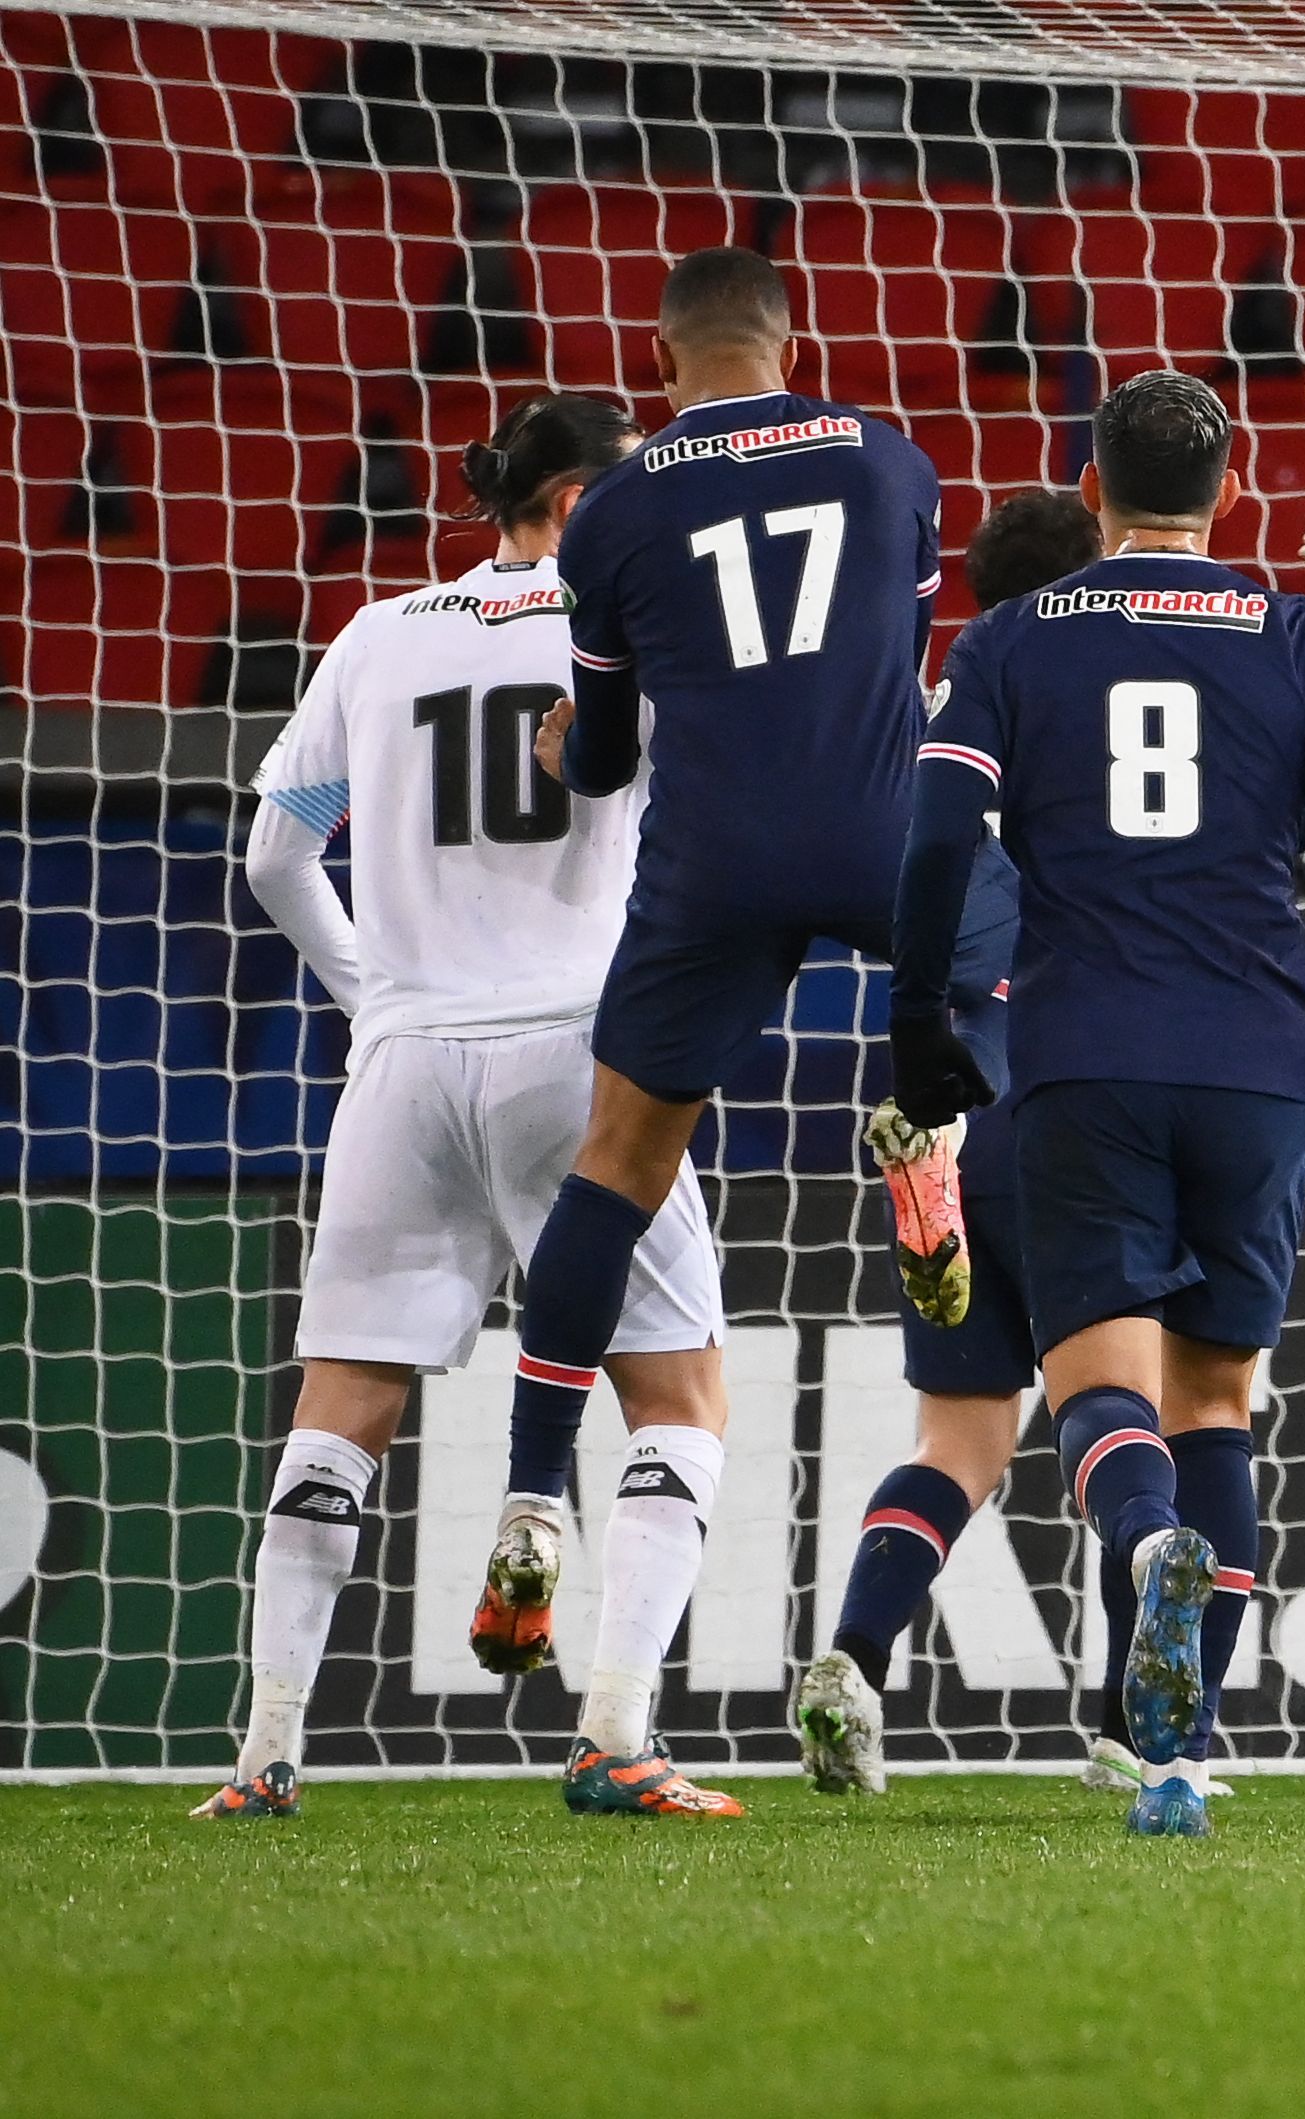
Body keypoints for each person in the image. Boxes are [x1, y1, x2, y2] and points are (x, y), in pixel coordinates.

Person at [890, 370, 1305, 1838]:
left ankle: (1143, 1556)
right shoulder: (1293, 635)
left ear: (1090, 491)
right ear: (1233, 490)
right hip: (1262, 1057)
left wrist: (913, 1019)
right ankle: (1184, 1751)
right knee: (1220, 1403)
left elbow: (940, 826)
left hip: (1081, 1052)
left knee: (1102, 1397)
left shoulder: (1012, 638)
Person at [471, 248, 1018, 1693]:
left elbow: (598, 756)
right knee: (1013, 956)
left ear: (660, 362)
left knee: (621, 1159)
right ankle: (938, 1136)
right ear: (796, 339)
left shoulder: (616, 511)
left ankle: (531, 1491)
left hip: (713, 865)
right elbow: (891, 658)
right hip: (879, 837)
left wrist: (564, 747)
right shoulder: (891, 464)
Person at [205, 395, 742, 1821]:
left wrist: (380, 988)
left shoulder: (379, 634)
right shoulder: (636, 637)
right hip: (580, 1052)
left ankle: (263, 1759)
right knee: (678, 1402)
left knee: (339, 1412)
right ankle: (616, 1733)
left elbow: (273, 857)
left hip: (406, 1061)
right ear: (574, 506)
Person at [792, 488, 1104, 1799]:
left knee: (960, 1443)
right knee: (1139, 1422)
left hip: (934, 1117)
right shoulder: (1114, 709)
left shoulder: (922, 722)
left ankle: (853, 1660)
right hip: (1082, 1111)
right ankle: (1144, 1730)